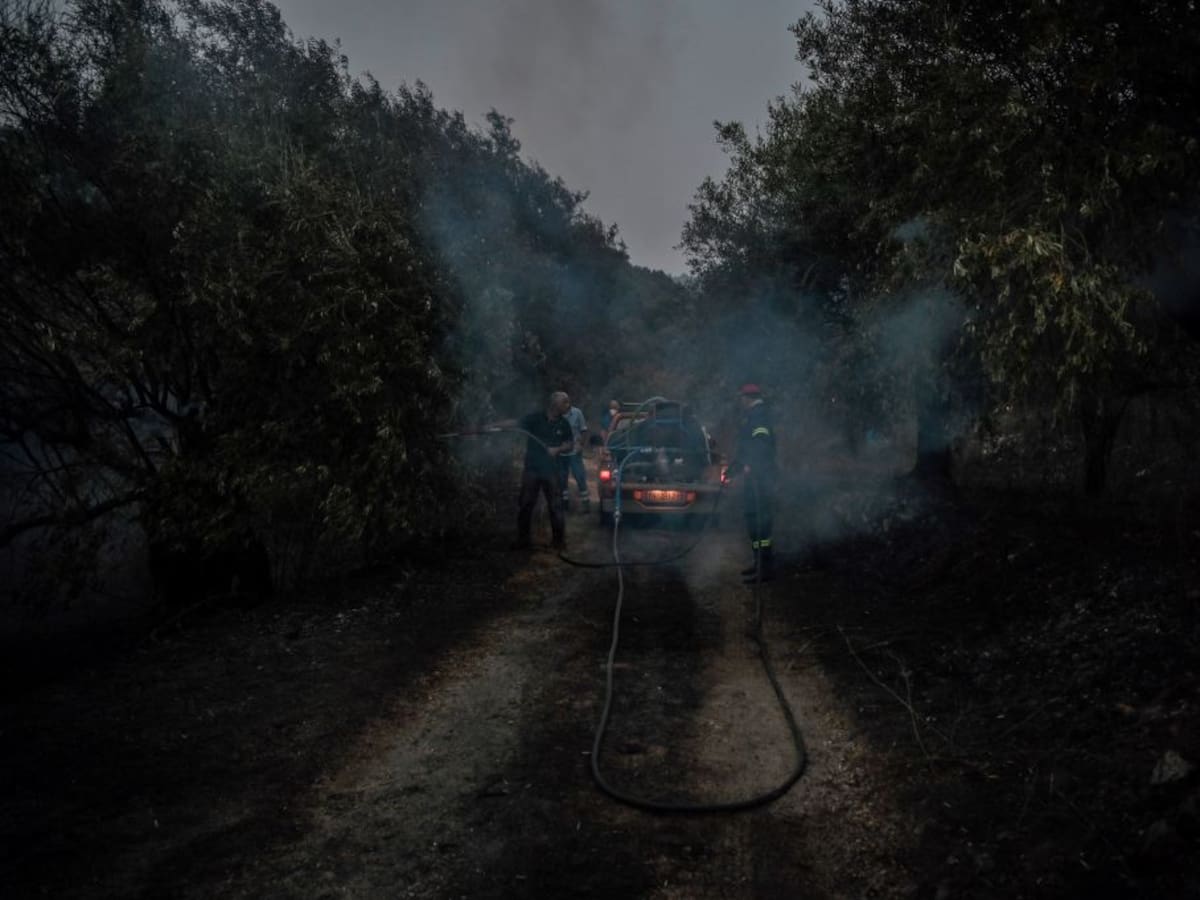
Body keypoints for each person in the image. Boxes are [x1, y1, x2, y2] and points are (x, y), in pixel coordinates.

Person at [496, 391, 573, 550]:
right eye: (565, 402)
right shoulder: (535, 418)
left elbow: (570, 443)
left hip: (552, 471)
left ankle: (559, 542)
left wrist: (557, 449)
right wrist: (493, 425)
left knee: (555, 506)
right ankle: (523, 541)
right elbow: (516, 423)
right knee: (525, 504)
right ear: (554, 404)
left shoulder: (564, 424)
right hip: (532, 470)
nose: (568, 404)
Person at [722, 383, 777, 582]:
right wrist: (734, 469)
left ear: (747, 398)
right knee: (753, 522)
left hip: (760, 482)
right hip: (755, 480)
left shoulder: (759, 416)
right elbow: (746, 450)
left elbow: (761, 444)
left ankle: (765, 570)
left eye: (741, 399)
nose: (740, 402)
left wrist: (750, 467)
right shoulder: (753, 416)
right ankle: (759, 564)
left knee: (760, 525)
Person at [559, 399, 590, 511]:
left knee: (579, 476)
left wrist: (581, 445)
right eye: (563, 402)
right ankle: (564, 504)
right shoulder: (557, 414)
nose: (566, 404)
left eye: (567, 402)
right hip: (561, 452)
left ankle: (586, 503)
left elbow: (584, 430)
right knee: (562, 478)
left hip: (574, 451)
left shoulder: (577, 413)